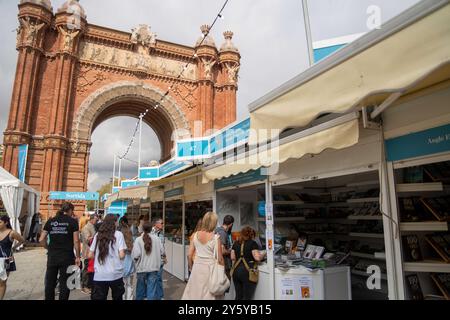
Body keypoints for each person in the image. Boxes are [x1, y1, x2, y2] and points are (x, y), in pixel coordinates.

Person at [40, 202, 80, 301]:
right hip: (67, 257)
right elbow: (76, 240)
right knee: (65, 283)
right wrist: (78, 256)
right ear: (70, 210)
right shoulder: (73, 222)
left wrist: (48, 248)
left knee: (50, 282)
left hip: (52, 256)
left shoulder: (50, 221)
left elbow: (41, 239)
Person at [182, 212, 225, 300]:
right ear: (214, 223)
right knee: (209, 294)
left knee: (195, 293)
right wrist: (222, 272)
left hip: (197, 268)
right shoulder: (216, 237)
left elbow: (189, 255)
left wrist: (191, 268)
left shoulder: (195, 235)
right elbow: (220, 259)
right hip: (210, 269)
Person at [89, 215, 126, 300]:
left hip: (100, 274)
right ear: (114, 222)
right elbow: (121, 255)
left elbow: (90, 255)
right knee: (117, 297)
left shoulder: (98, 235)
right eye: (116, 221)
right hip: (116, 274)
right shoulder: (119, 234)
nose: (117, 223)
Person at [231, 226, 265, 300]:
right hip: (247, 272)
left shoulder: (236, 243)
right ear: (251, 235)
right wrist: (263, 254)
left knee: (238, 296)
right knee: (247, 297)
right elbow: (257, 258)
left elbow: (232, 257)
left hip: (236, 272)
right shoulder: (252, 243)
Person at [133, 221, 163, 300]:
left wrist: (135, 263)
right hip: (153, 268)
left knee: (140, 290)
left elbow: (136, 255)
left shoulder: (138, 240)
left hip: (141, 268)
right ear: (151, 229)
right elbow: (162, 251)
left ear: (143, 229)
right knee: (151, 290)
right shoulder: (157, 239)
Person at [0, 215, 25, 300]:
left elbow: (22, 240)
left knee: (2, 281)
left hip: (7, 260)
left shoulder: (12, 232)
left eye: (0, 222)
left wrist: (14, 248)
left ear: (6, 223)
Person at [80, 214, 98, 294]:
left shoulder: (92, 226)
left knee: (90, 269)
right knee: (87, 269)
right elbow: (88, 239)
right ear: (91, 219)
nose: (96, 221)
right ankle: (84, 286)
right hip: (88, 252)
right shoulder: (86, 228)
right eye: (95, 220)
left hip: (92, 252)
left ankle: (89, 285)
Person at [118, 216, 135, 300]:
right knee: (129, 284)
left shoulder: (120, 233)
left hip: (123, 257)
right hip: (129, 256)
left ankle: (124, 297)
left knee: (123, 283)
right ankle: (129, 298)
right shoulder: (129, 231)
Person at [151, 217, 166, 300]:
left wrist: (164, 257)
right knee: (152, 278)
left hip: (160, 260)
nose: (163, 225)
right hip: (152, 260)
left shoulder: (161, 234)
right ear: (156, 224)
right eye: (161, 223)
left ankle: (160, 296)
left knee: (159, 278)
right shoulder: (150, 232)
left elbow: (162, 247)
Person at [215, 215, 234, 279]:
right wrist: (231, 251)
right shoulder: (222, 233)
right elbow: (222, 251)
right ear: (231, 224)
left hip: (219, 263)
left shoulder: (218, 230)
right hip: (224, 264)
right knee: (226, 285)